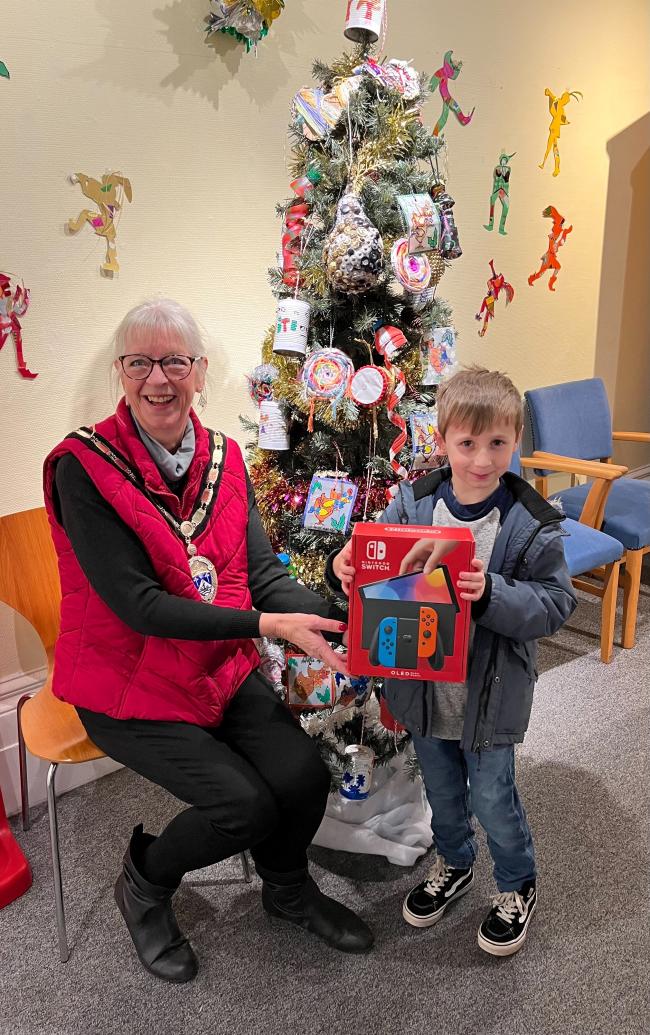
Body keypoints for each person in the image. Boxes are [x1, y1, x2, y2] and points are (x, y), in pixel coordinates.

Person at [43, 298, 374, 984]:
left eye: (174, 361)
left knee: (302, 776)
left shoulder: (223, 457)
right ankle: (144, 879)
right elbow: (139, 606)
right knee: (242, 805)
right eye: (140, 362)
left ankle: (286, 890)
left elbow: (260, 576)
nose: (157, 378)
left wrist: (343, 614)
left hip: (213, 669)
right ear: (120, 372)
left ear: (199, 372)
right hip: (122, 682)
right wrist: (264, 625)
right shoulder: (83, 467)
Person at [329, 366, 577, 957]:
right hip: (423, 692)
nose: (482, 460)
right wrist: (348, 564)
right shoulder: (412, 503)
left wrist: (489, 592)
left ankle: (517, 885)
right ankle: (456, 861)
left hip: (489, 698)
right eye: (466, 444)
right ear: (441, 441)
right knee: (442, 792)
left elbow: (556, 602)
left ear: (515, 440)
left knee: (495, 797)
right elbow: (376, 564)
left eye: (497, 443)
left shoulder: (531, 524)